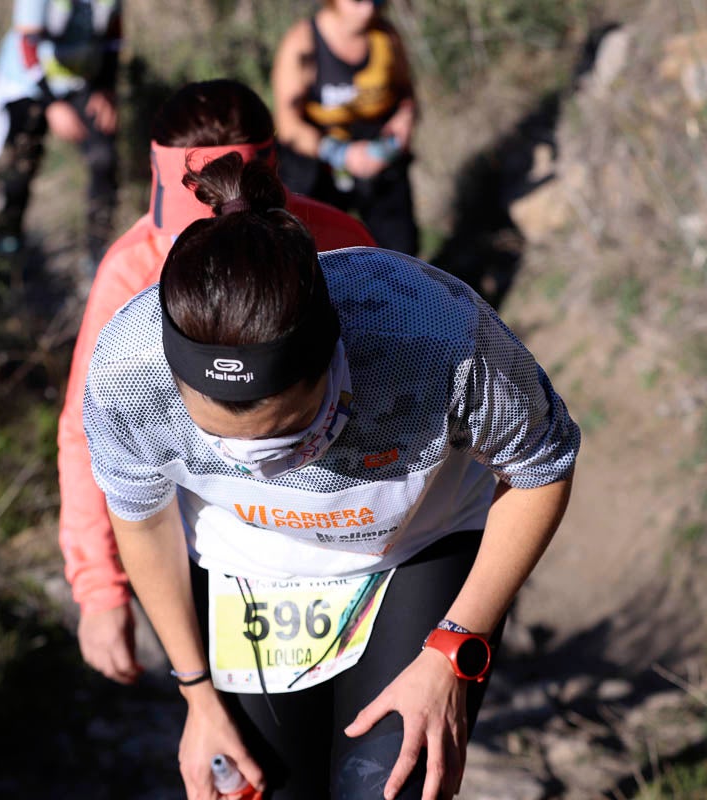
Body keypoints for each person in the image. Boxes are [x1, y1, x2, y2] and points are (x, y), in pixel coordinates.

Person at [81, 154, 579, 798]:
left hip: (413, 550)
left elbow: (542, 465)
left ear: (334, 352)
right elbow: (143, 523)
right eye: (223, 439)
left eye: (289, 432)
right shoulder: (128, 373)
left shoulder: (429, 331)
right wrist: (197, 696)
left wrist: (455, 648)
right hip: (247, 568)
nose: (262, 466)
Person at [58, 79, 377, 686]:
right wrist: (99, 588)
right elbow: (87, 430)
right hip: (220, 544)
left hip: (354, 522)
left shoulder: (341, 242)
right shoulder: (133, 268)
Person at [0, 0, 122, 268]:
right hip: (28, 81)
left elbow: (113, 36)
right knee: (20, 161)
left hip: (82, 80)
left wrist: (106, 88)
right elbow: (27, 43)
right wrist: (52, 104)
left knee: (103, 158)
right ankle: (5, 244)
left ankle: (99, 253)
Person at [272, 0, 419, 256]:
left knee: (400, 249)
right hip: (319, 164)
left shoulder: (385, 36)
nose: (369, 7)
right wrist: (342, 154)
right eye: (358, 0)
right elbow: (287, 125)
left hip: (379, 158)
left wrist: (404, 119)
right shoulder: (302, 43)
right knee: (313, 253)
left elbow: (405, 91)